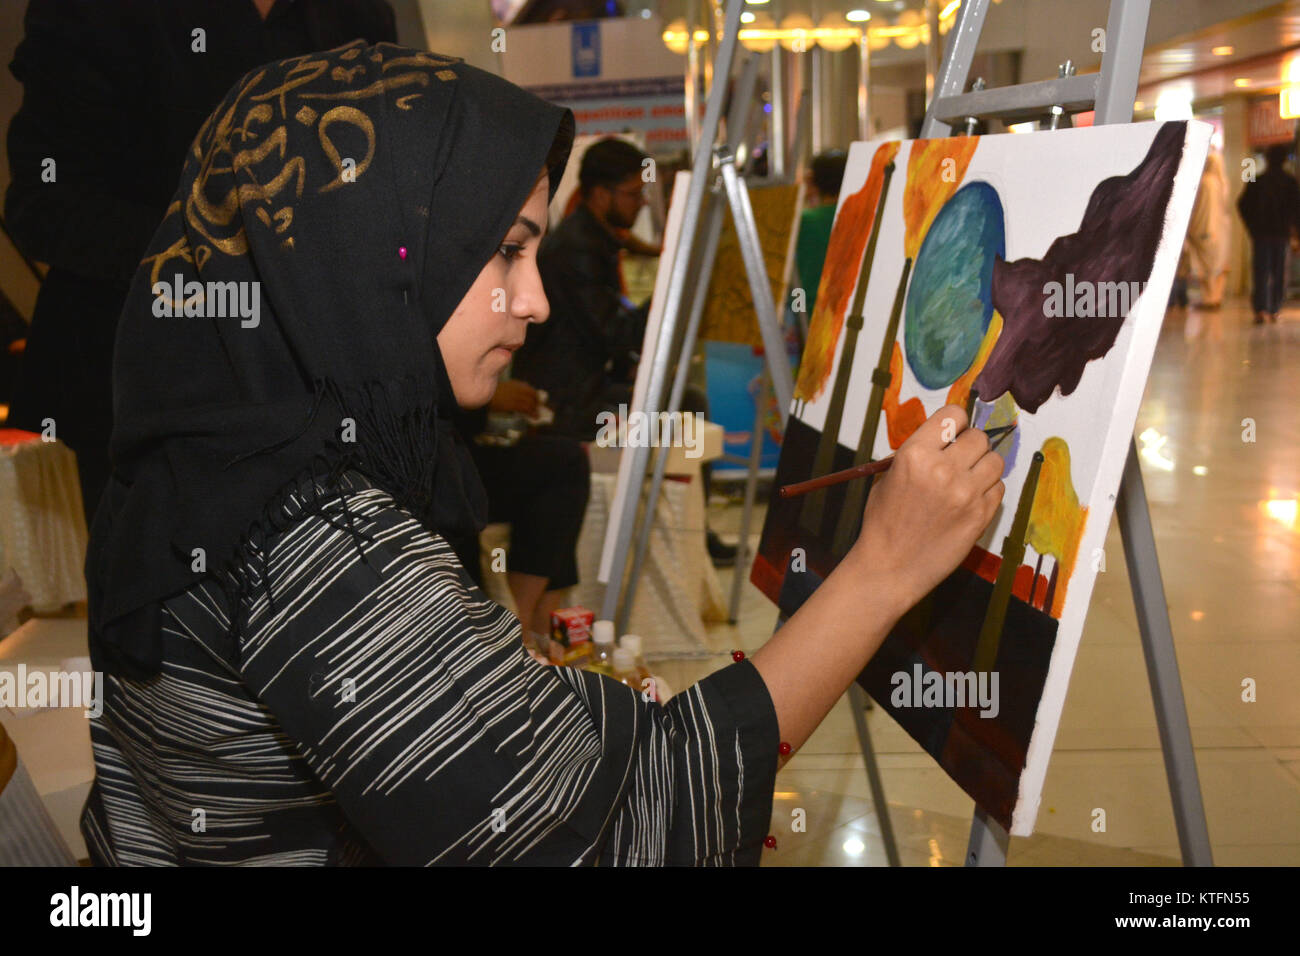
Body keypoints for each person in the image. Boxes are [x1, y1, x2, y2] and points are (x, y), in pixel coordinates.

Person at [82, 42, 1004, 866]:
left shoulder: (205, 446)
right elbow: (622, 830)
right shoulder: (324, 540)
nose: (535, 302)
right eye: (504, 257)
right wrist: (880, 571)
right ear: (371, 256)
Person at [3, 0, 397, 525]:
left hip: (313, 401)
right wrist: (237, 253)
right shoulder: (97, 12)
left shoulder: (355, 15)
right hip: (130, 405)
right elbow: (43, 207)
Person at [515, 136, 736, 565]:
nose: (640, 205)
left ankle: (689, 531)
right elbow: (616, 334)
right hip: (570, 401)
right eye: (634, 194)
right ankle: (692, 537)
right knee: (687, 405)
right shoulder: (578, 248)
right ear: (600, 194)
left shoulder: (591, 236)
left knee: (682, 399)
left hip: (584, 384)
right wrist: (672, 285)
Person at [447, 380, 590, 651]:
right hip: (436, 454)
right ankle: (520, 631)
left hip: (460, 445)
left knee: (562, 463)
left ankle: (537, 628)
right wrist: (484, 399)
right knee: (562, 465)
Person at [1236, 143, 1300, 324]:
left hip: (1261, 234)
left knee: (1261, 272)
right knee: (1279, 272)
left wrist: (1252, 227)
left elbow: (1242, 204)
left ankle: (1260, 309)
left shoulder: (1257, 180)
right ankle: (1274, 309)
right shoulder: (1290, 182)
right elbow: (1296, 210)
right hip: (1281, 234)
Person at [1185, 150, 1230, 309]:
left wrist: (1193, 228)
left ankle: (1209, 299)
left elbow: (1200, 210)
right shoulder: (1222, 183)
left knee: (1206, 267)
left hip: (1204, 229)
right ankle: (1214, 298)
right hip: (1219, 232)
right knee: (1215, 266)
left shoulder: (1205, 182)